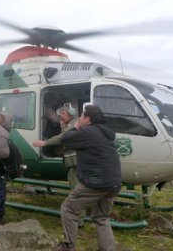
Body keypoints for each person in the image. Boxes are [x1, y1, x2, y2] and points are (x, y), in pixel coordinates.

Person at [56, 105, 122, 251]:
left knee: (68, 209)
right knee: (101, 217)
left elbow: (65, 139)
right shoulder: (105, 133)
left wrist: (76, 126)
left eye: (81, 116)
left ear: (88, 119)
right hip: (114, 182)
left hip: (96, 181)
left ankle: (68, 246)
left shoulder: (88, 131)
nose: (79, 118)